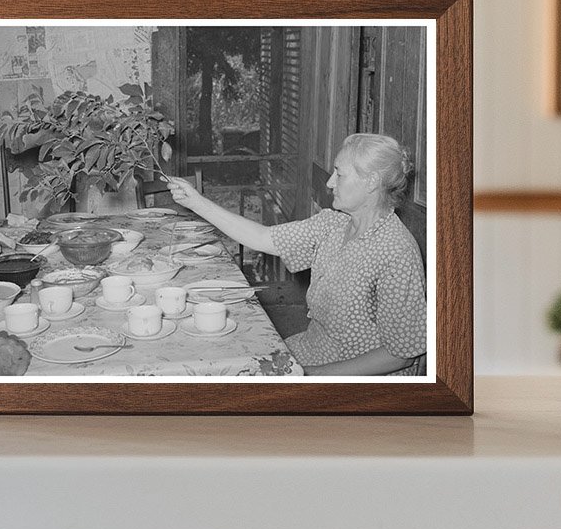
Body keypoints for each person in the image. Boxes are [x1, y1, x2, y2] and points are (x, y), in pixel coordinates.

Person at [166, 133, 426, 376]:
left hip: (354, 377)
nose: (329, 182)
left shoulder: (396, 251)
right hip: (312, 351)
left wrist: (311, 377)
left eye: (339, 174)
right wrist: (195, 202)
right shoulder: (333, 225)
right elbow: (263, 238)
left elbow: (399, 356)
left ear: (371, 182)